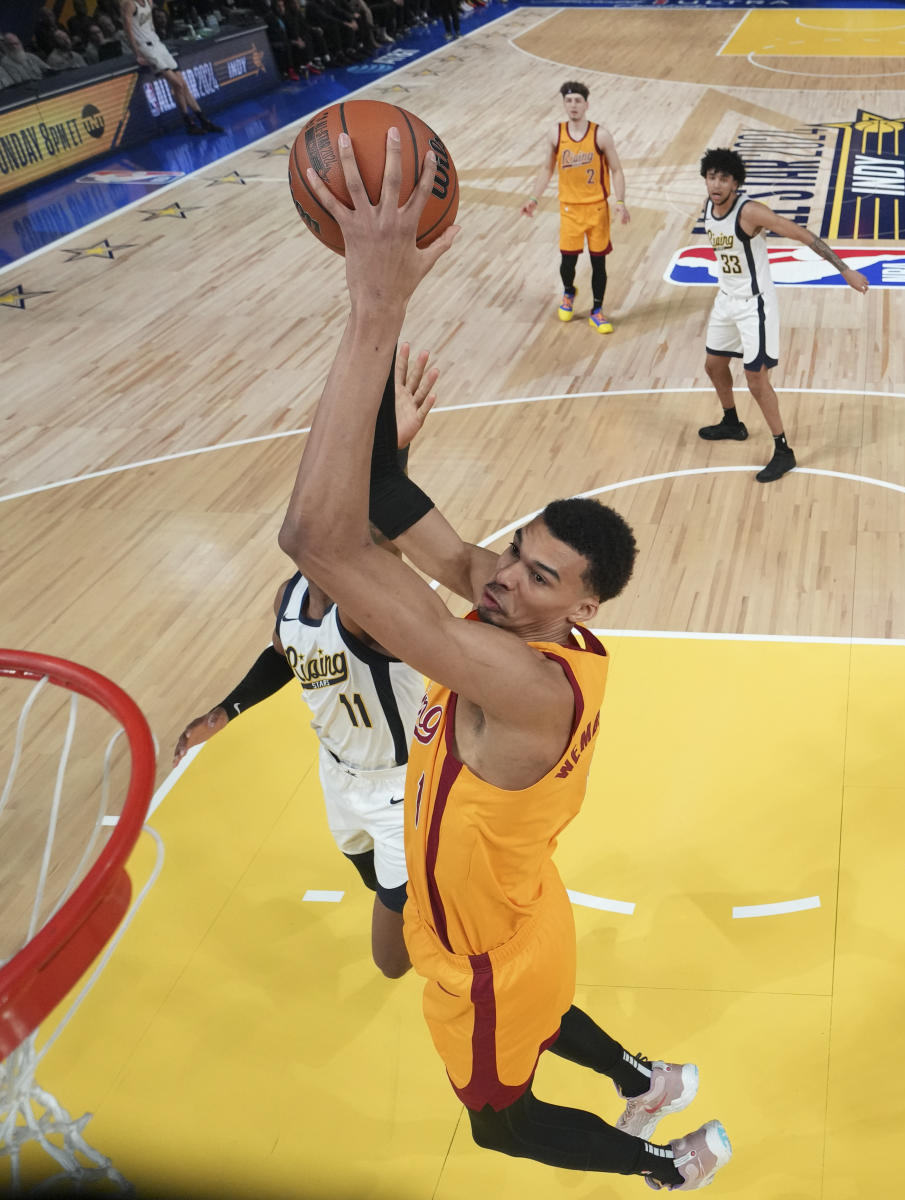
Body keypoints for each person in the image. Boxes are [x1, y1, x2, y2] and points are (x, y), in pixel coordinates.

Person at [278, 130, 732, 1192]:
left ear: (583, 607)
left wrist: (375, 308)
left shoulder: (524, 684)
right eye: (516, 554)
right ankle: (648, 1075)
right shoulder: (529, 622)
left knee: (498, 1119)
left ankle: (669, 1164)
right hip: (522, 911)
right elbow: (390, 513)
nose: (502, 580)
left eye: (536, 579)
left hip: (481, 951)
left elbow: (319, 540)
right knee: (544, 1017)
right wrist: (388, 445)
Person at [173, 346, 438, 978]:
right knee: (371, 875)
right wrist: (226, 708)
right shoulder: (289, 599)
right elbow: (282, 656)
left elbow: (382, 538)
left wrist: (392, 455)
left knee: (392, 962)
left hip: (402, 784)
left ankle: (438, 886)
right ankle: (423, 883)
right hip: (338, 772)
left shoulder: (369, 612)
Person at [697, 147, 870, 483]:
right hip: (726, 299)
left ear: (735, 183)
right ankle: (732, 423)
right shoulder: (709, 206)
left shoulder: (750, 212)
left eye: (724, 178)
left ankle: (783, 450)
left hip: (755, 305)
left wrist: (845, 269)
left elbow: (802, 234)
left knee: (757, 380)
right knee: (713, 365)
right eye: (712, 177)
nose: (716, 184)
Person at [521, 81, 630, 334]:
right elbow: (547, 169)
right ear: (564, 104)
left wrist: (621, 202)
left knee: (598, 263)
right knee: (567, 262)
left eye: (578, 101)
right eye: (569, 101)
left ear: (586, 104)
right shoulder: (555, 134)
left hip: (597, 209)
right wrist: (533, 199)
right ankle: (569, 291)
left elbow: (617, 170)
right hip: (569, 209)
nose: (573, 105)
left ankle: (597, 310)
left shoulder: (600, 135)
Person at [121, 0, 223, 134]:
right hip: (146, 48)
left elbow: (150, 23)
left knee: (183, 84)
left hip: (158, 44)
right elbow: (127, 28)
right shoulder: (129, 4)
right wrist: (137, 52)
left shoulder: (148, 2)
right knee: (177, 85)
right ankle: (189, 123)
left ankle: (204, 121)